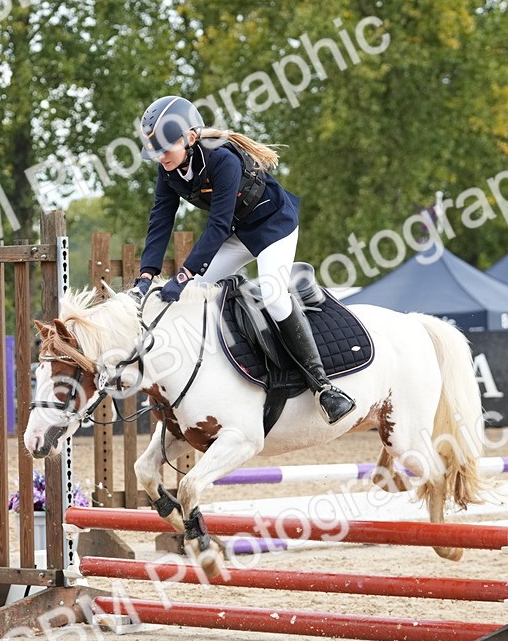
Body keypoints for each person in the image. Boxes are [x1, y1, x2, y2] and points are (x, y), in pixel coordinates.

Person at [132, 95, 355, 424]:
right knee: (196, 294)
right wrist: (146, 276)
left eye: (166, 148)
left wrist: (182, 276)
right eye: (156, 151)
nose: (161, 157)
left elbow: (217, 225)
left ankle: (323, 387)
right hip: (239, 233)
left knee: (274, 297)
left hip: (273, 226)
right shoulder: (168, 171)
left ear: (190, 138)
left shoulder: (222, 160)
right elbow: (160, 220)